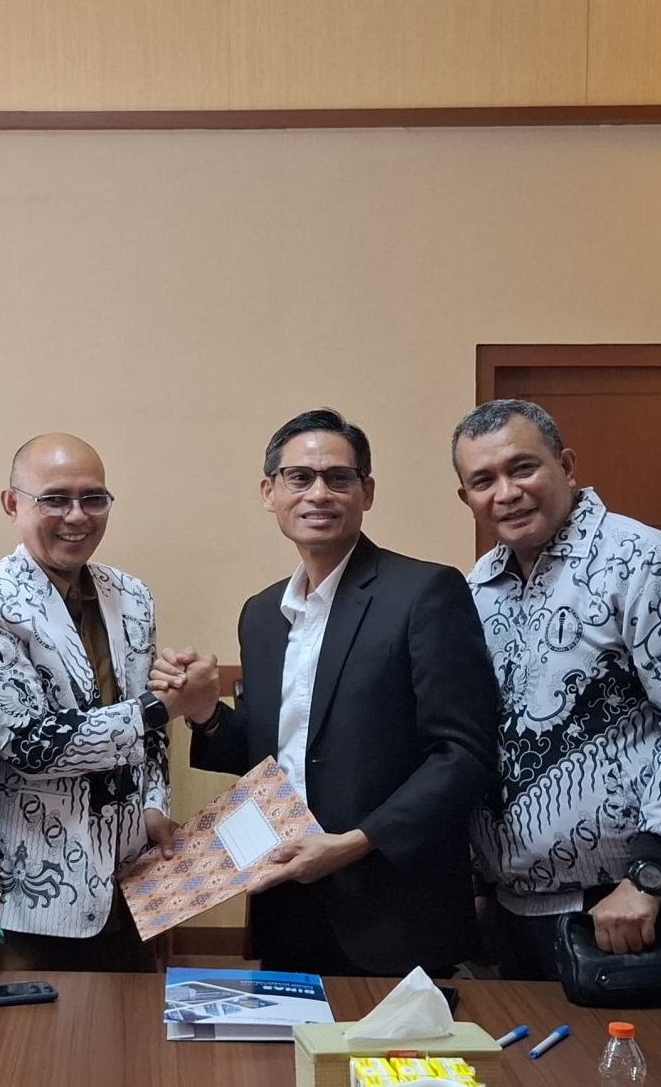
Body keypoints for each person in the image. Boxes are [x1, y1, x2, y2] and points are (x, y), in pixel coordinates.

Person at [170, 408, 498, 976]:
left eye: (338, 478)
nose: (318, 493)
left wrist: (356, 841)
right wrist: (205, 714)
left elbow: (464, 754)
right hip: (285, 899)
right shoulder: (262, 614)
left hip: (394, 906)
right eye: (299, 478)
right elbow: (276, 755)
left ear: (366, 492)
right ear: (270, 492)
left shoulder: (425, 592)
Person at [451, 399, 661, 979]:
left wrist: (649, 877)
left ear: (566, 466)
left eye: (522, 468)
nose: (507, 493)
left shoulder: (645, 560)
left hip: (624, 908)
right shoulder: (477, 587)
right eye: (484, 480)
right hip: (512, 913)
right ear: (467, 498)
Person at [0, 434, 217, 972]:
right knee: (31, 1029)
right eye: (55, 499)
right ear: (12, 503)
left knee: (132, 1026)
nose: (76, 516)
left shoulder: (132, 596)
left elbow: (151, 733)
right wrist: (164, 706)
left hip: (134, 883)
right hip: (36, 895)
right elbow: (29, 745)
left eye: (93, 499)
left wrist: (155, 805)